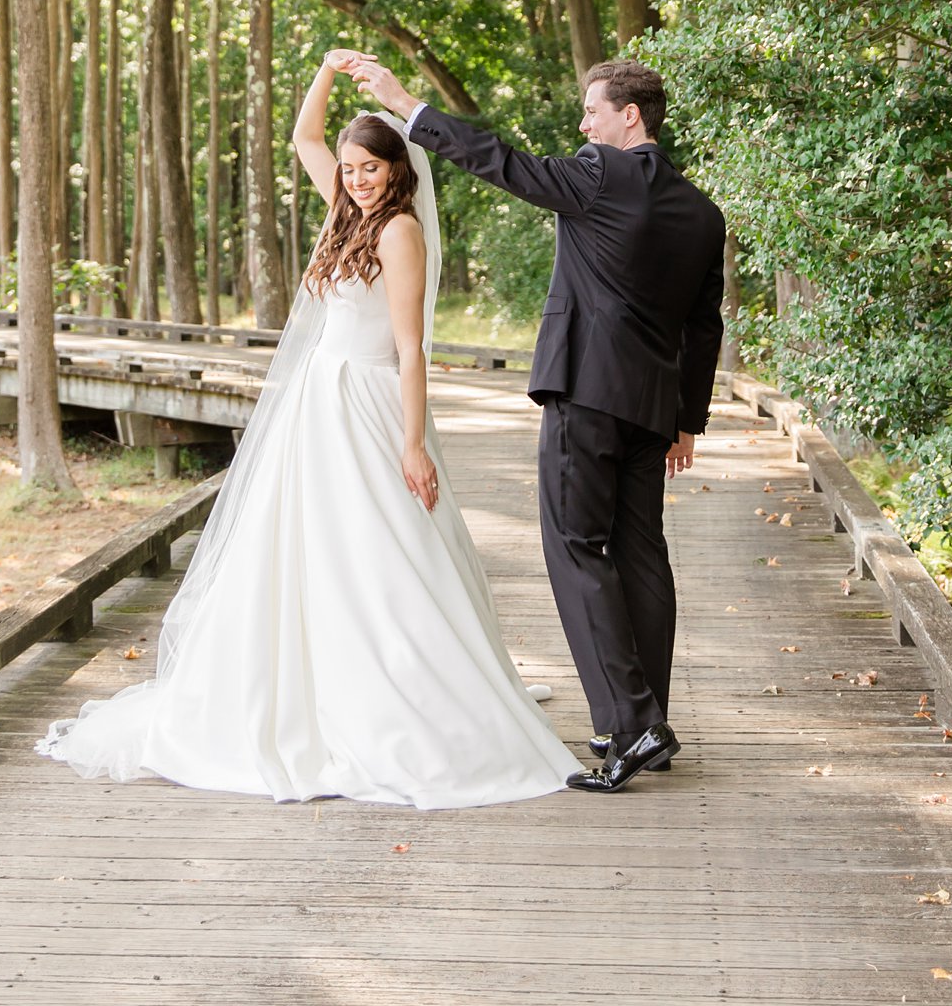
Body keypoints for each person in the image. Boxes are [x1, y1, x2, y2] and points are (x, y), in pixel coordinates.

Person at [36, 50, 578, 809]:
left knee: (382, 553)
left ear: (398, 170)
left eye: (370, 168)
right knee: (298, 548)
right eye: (351, 168)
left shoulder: (397, 236)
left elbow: (410, 348)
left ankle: (404, 690)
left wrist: (413, 442)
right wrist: (326, 70)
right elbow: (304, 138)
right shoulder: (343, 210)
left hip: (366, 401)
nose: (355, 178)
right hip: (314, 407)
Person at [350, 53, 726, 793]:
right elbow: (703, 326)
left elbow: (503, 162)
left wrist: (405, 105)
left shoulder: (597, 172)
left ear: (630, 115)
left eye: (592, 110)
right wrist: (689, 418)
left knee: (576, 548)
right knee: (642, 554)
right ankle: (644, 720)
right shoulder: (702, 212)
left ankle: (633, 720)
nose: (583, 123)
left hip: (585, 391)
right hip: (653, 408)